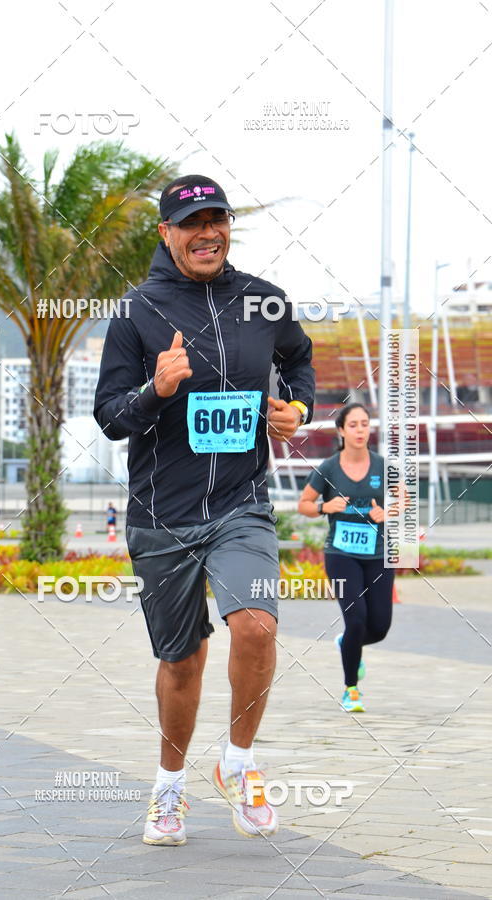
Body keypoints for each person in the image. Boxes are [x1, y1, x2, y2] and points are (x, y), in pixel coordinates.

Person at [94, 174, 315, 845]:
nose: (207, 233)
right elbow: (108, 417)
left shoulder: (262, 302)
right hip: (161, 514)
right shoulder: (136, 313)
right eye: (192, 223)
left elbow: (301, 360)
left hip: (240, 504)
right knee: (182, 661)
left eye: (217, 219)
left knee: (256, 627)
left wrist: (296, 410)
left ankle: (239, 762)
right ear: (167, 234)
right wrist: (155, 392)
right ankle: (168, 789)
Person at [298, 402, 393, 713]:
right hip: (340, 555)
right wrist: (326, 507)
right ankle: (351, 689)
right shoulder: (328, 468)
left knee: (379, 627)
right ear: (341, 431)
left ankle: (346, 645)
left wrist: (388, 511)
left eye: (365, 424)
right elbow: (305, 504)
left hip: (377, 555)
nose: (360, 430)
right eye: (353, 425)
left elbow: (404, 500)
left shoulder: (383, 466)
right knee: (356, 619)